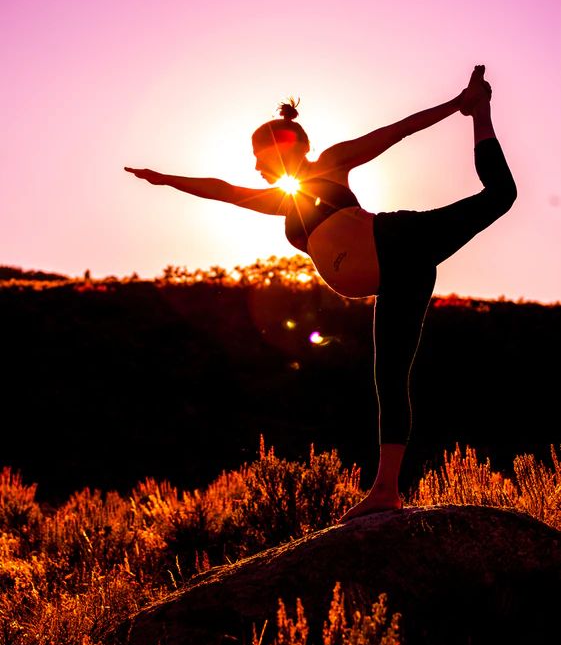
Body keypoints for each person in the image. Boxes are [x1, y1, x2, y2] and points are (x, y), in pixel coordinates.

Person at [125, 65, 517, 523]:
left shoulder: (330, 163)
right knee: (388, 375)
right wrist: (166, 179)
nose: (255, 166)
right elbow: (225, 192)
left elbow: (394, 131)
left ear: (280, 148)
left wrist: (457, 105)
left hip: (400, 240)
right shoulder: (282, 200)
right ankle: (387, 491)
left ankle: (480, 111)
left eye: (258, 156)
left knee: (500, 194)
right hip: (398, 275)